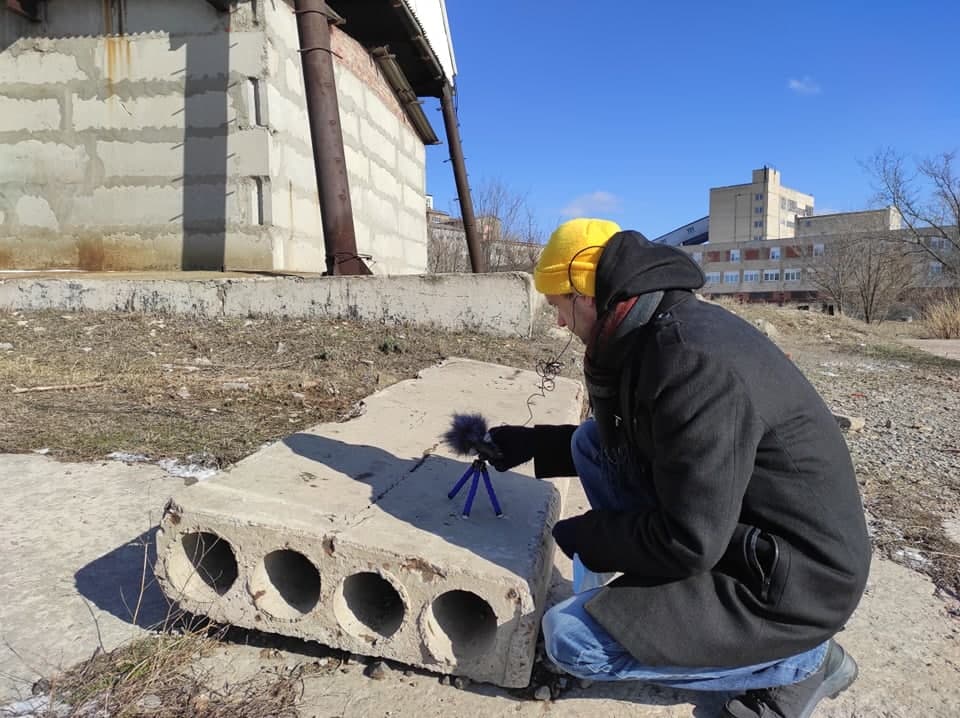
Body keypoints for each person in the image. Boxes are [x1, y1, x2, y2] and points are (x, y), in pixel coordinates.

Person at [487, 218, 871, 718]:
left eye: (559, 307)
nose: (560, 324)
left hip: (790, 581)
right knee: (589, 443)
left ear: (586, 293)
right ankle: (648, 603)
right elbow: (643, 441)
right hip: (740, 532)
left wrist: (598, 535)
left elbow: (690, 540)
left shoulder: (691, 361)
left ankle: (803, 660)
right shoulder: (652, 326)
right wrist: (533, 445)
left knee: (570, 641)